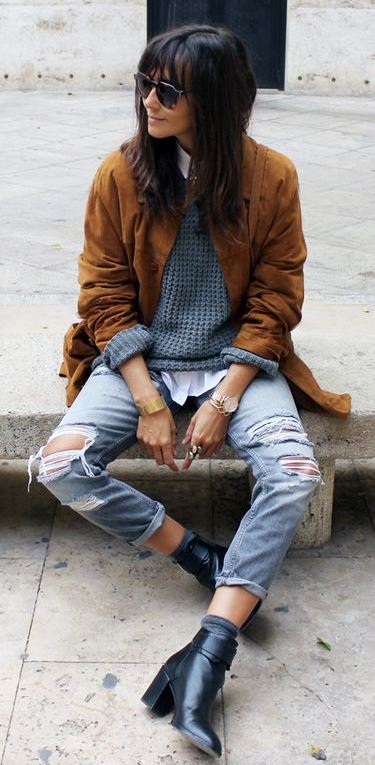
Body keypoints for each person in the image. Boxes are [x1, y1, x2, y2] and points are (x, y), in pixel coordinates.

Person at [28, 24, 351, 759]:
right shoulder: (122, 173)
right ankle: (200, 558)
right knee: (58, 464)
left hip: (235, 361)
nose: (148, 99)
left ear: (213, 100)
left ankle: (207, 651)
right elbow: (103, 295)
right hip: (138, 358)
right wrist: (146, 399)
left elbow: (276, 300)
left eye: (166, 89)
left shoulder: (271, 177)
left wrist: (224, 397)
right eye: (145, 82)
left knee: (293, 470)